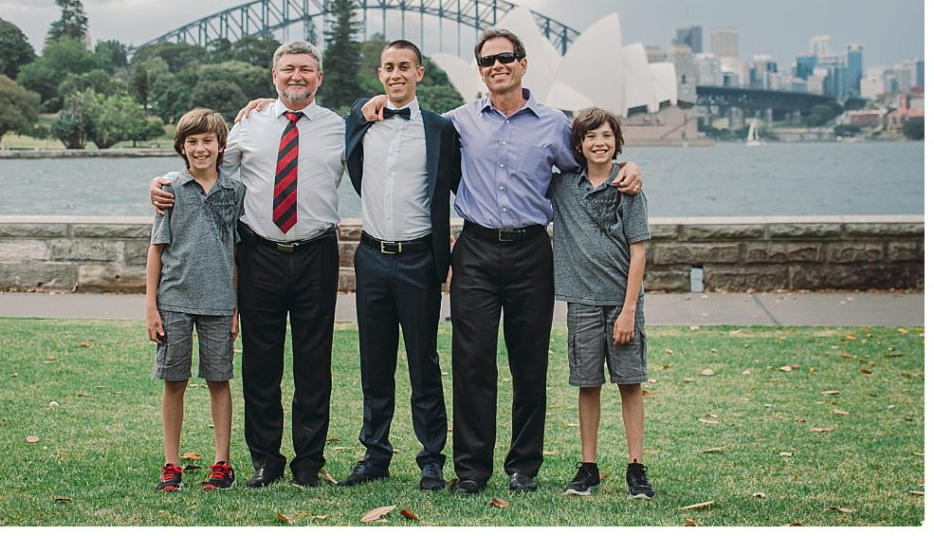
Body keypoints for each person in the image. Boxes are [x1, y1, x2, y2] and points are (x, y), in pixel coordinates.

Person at [362, 28, 642, 495]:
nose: (498, 66)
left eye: (506, 58)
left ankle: (523, 467)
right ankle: (471, 469)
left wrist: (630, 168)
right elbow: (407, 123)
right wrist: (369, 103)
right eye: (489, 61)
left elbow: (594, 165)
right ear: (480, 71)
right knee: (472, 363)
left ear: (523, 64)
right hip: (474, 250)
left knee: (528, 363)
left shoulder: (554, 124)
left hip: (532, 251)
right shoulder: (458, 121)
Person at [151, 40, 345, 489]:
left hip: (317, 252)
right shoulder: (249, 124)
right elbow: (207, 168)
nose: (297, 76)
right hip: (259, 254)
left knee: (314, 362)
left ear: (319, 77)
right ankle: (265, 460)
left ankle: (308, 462)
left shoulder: (339, 127)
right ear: (273, 76)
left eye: (306, 69)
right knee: (261, 362)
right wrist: (159, 182)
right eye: (288, 69)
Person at [340, 40, 460, 491]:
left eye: (404, 67)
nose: (396, 74)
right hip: (371, 256)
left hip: (419, 259)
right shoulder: (363, 122)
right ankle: (375, 455)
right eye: (388, 67)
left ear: (420, 73)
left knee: (423, 362)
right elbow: (329, 114)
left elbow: (460, 182)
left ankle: (431, 458)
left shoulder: (440, 129)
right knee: (374, 362)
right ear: (380, 74)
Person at [550, 107, 654, 500]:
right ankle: (588, 467)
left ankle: (636, 467)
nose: (599, 143)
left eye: (607, 136)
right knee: (587, 384)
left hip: (622, 303)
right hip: (582, 301)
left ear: (617, 142)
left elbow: (639, 251)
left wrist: (629, 309)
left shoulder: (628, 187)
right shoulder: (563, 187)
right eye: (591, 137)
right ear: (578, 144)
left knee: (630, 383)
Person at [145, 107, 245, 492]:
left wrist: (235, 307)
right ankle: (172, 464)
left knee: (219, 381)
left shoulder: (234, 192)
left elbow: (235, 254)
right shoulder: (170, 191)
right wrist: (151, 306)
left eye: (208, 141)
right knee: (175, 381)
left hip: (220, 303)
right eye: (192, 142)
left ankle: (222, 463)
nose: (201, 149)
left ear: (221, 146)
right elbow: (157, 249)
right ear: (181, 148)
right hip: (174, 301)